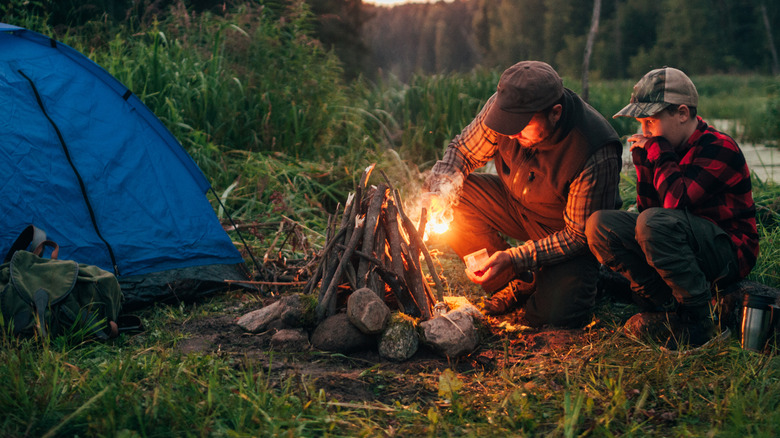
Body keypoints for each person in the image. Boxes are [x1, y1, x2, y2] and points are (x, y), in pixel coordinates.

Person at [423, 60, 623, 328]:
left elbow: (577, 236)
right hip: (517, 206)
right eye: (508, 124)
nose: (511, 132)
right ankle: (515, 281)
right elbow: (462, 151)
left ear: (555, 113)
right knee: (457, 196)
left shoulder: (593, 149)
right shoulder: (506, 111)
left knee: (553, 316)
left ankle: (597, 279)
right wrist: (440, 189)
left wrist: (516, 256)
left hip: (567, 233)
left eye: (522, 126)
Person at [585, 67, 759, 349]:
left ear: (682, 113)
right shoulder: (664, 147)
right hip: (684, 241)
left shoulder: (719, 147)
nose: (645, 131)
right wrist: (644, 162)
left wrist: (656, 151)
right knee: (601, 225)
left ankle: (700, 321)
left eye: (651, 121)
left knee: (655, 223)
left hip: (729, 251)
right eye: (642, 123)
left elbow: (674, 204)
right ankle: (661, 303)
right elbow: (648, 211)